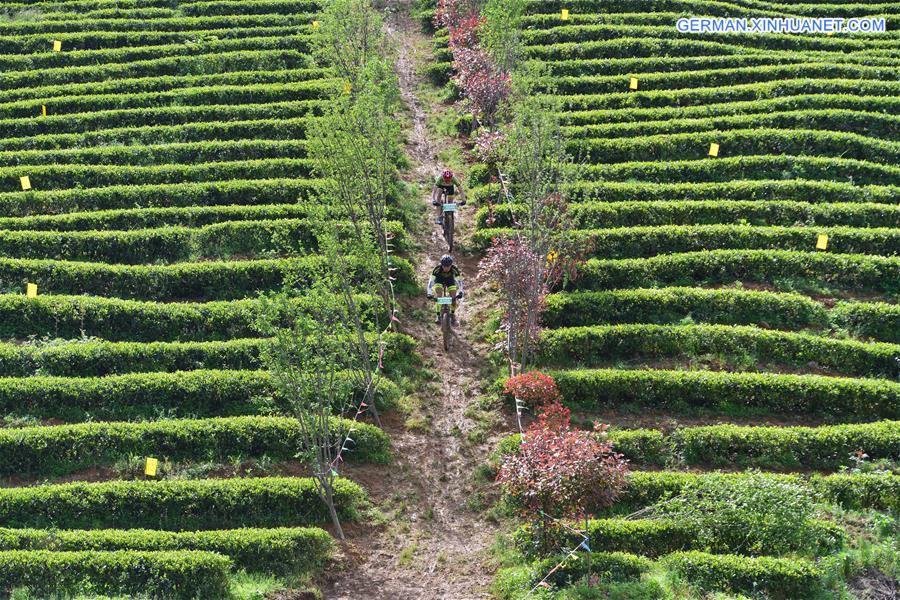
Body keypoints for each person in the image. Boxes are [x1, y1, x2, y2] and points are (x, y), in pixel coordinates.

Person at [426, 254, 463, 325]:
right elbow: (431, 281)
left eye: (448, 267)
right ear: (441, 265)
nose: (446, 268)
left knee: (453, 298)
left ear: (451, 265)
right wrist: (429, 293)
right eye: (444, 266)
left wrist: (461, 292)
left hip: (450, 281)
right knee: (439, 296)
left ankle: (452, 314)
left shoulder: (454, 269)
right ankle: (438, 315)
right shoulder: (437, 269)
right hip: (439, 280)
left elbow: (459, 281)